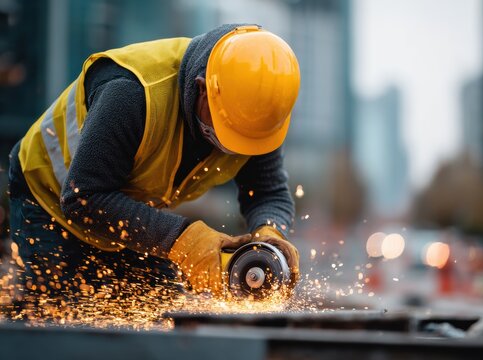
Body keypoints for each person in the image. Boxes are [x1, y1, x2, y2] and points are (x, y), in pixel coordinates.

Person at [7, 24, 301, 301]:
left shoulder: (257, 115)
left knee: (160, 314)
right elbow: (83, 198)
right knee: (57, 322)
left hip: (127, 212)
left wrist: (269, 235)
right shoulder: (132, 93)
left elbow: (268, 192)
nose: (234, 147)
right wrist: (185, 240)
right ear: (202, 89)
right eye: (230, 130)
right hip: (50, 202)